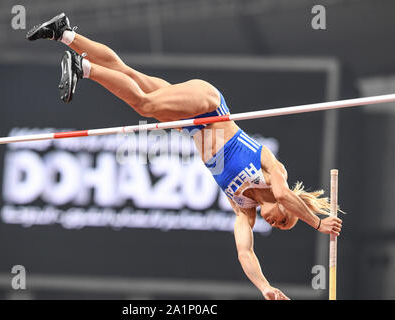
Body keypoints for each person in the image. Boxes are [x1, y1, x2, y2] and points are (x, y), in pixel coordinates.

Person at [27, 13, 343, 300]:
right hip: (209, 106)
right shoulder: (274, 172)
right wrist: (317, 224)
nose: (275, 221)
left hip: (193, 127)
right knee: (145, 105)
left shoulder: (243, 209)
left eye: (278, 225)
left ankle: (64, 33)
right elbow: (285, 196)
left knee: (128, 74)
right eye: (284, 220)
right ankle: (84, 69)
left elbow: (245, 253)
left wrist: (265, 288)